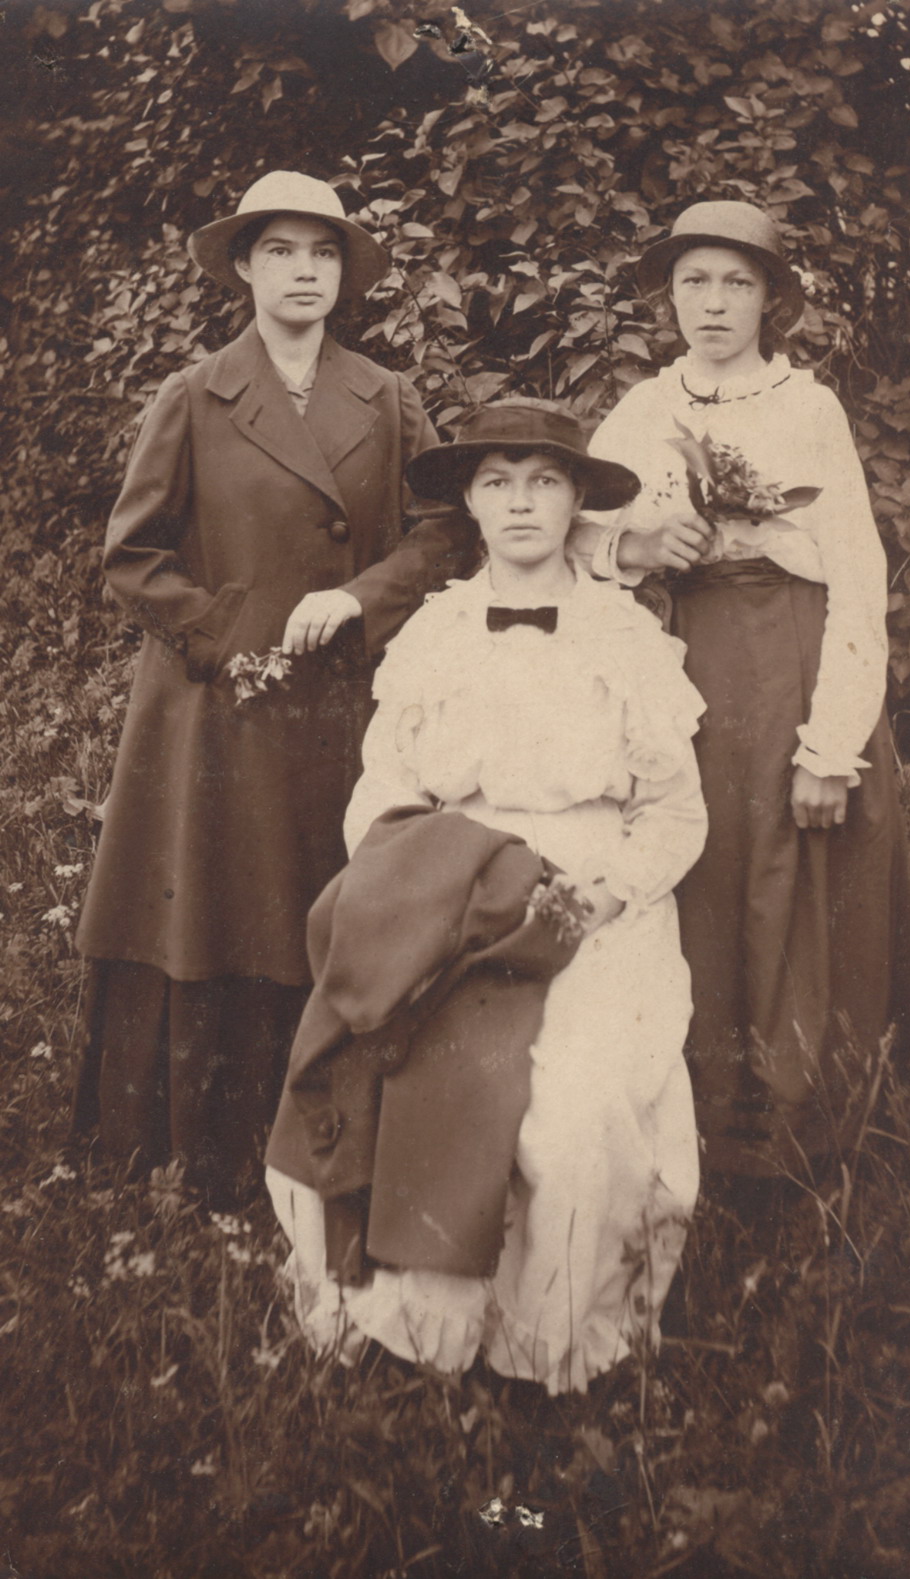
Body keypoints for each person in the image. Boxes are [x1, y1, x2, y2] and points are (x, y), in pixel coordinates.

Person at [265, 399, 708, 1393]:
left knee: (572, 1105)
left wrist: (604, 895)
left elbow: (678, 814)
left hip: (590, 899)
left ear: (577, 501)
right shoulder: (434, 635)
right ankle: (415, 1322)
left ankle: (551, 1339)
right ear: (469, 499)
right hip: (452, 894)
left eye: (544, 482)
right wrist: (416, 888)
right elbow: (381, 794)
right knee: (409, 1066)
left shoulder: (625, 636)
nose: (520, 503)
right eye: (497, 482)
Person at [74, 171, 473, 1202]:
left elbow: (444, 532)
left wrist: (358, 597)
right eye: (283, 251)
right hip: (216, 708)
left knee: (317, 899)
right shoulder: (193, 393)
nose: (305, 271)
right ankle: (198, 1150)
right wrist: (225, 635)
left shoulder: (387, 397)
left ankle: (319, 1145)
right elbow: (132, 555)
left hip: (340, 699)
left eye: (324, 252)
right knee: (217, 906)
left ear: (344, 274)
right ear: (245, 267)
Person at [580, 200, 910, 1180]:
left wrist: (832, 744)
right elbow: (567, 530)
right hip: (685, 663)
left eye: (737, 283)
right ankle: (698, 1118)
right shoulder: (644, 411)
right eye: (694, 280)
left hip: (793, 663)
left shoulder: (805, 408)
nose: (714, 303)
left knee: (793, 862)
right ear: (668, 295)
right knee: (702, 866)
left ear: (771, 300)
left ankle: (800, 1123)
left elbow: (856, 576)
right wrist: (639, 543)